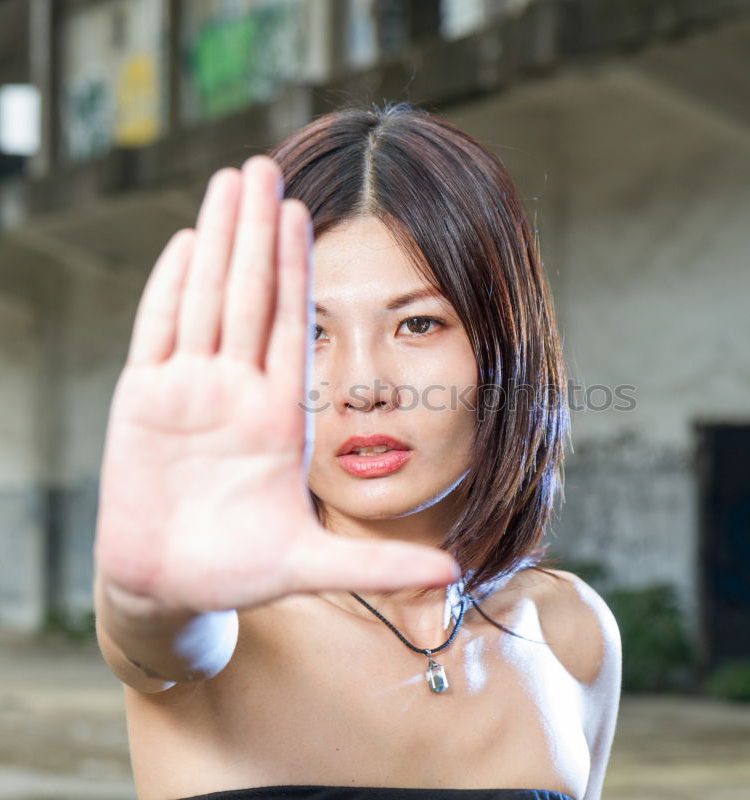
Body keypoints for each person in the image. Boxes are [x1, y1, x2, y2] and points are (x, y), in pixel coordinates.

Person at [92, 103, 621, 800]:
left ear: (504, 347)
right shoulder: (221, 615)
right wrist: (144, 596)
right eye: (309, 332)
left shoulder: (572, 632)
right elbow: (164, 634)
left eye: (418, 323)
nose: (363, 387)